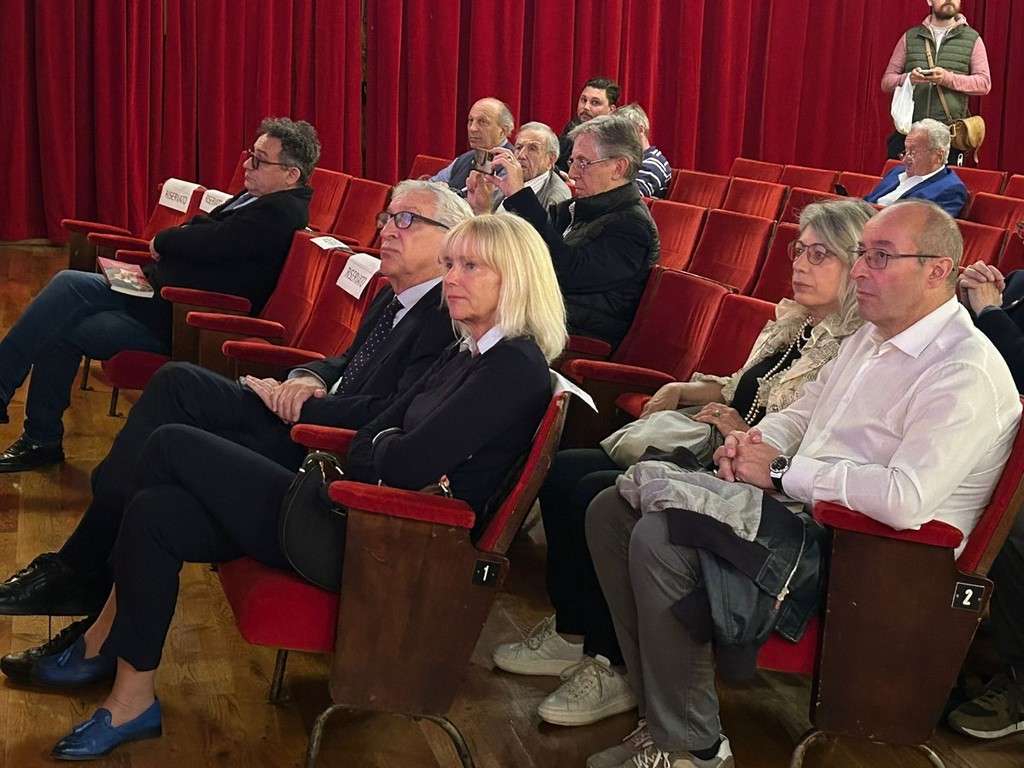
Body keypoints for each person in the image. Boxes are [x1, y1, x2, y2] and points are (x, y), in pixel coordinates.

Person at [29, 212, 566, 760]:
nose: (451, 278)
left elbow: (402, 462)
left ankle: (102, 633)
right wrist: (387, 446)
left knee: (171, 443)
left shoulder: (512, 366)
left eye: (471, 267)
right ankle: (131, 697)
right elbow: (382, 434)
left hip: (383, 547)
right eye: (450, 264)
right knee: (156, 511)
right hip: (350, 508)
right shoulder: (467, 349)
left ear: (516, 277)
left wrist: (385, 448)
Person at [585, 200, 1020, 768]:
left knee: (662, 537)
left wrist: (783, 472)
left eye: (880, 257)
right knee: (611, 510)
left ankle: (692, 748)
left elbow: (904, 499)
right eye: (860, 254)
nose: (859, 270)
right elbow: (804, 414)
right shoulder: (871, 337)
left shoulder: (963, 369)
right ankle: (663, 720)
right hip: (807, 521)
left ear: (938, 270)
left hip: (876, 567)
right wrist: (753, 443)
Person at [0, 181, 474, 682]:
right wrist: (307, 376)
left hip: (318, 451)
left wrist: (308, 404)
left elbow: (390, 415)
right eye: (388, 217)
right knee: (174, 400)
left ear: (450, 240)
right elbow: (347, 361)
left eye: (407, 220)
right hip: (303, 415)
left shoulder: (444, 317)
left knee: (166, 431)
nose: (388, 230)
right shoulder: (395, 295)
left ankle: (81, 569)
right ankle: (90, 590)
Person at [492, 199, 873, 728]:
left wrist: (741, 433)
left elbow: (812, 438)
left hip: (751, 475)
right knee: (563, 474)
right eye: (798, 250)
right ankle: (572, 629)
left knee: (598, 492)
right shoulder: (794, 324)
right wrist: (685, 389)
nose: (800, 265)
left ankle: (613, 659)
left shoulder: (851, 347)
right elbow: (740, 386)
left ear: (855, 265)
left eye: (820, 255)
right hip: (716, 442)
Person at [0, 117, 320, 473]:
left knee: (66, 304)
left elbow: (210, 241)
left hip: (180, 317)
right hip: (155, 293)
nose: (246, 164)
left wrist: (166, 240)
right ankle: (36, 433)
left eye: (258, 160)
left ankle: (34, 431)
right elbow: (202, 232)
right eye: (250, 154)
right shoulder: (255, 198)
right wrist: (181, 239)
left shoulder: (281, 212)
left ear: (291, 174)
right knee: (65, 293)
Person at [494, 114, 660, 350]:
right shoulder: (577, 209)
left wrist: (521, 197)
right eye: (572, 161)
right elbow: (526, 250)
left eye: (583, 162)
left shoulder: (632, 228)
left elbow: (566, 272)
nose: (571, 173)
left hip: (577, 340)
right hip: (543, 321)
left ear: (618, 167)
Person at [945, 255, 1024, 739]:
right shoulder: (1016, 281)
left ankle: (1021, 681)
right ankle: (925, 651)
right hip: (997, 437)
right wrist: (960, 308)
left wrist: (990, 313)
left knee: (1013, 526)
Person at [880, 0, 991, 165]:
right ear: (929, 1)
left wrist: (947, 78)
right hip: (910, 134)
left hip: (948, 138)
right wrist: (908, 78)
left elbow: (984, 83)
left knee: (944, 182)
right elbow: (887, 82)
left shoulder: (972, 39)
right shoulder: (910, 37)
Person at [865, 118, 968, 217]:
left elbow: (931, 226)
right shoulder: (896, 172)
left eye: (914, 153)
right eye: (906, 151)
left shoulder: (950, 189)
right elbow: (868, 201)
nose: (905, 159)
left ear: (938, 156)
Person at [465, 121, 571, 214]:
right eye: (519, 147)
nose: (521, 155)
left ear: (550, 160)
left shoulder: (557, 197)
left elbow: (541, 230)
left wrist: (518, 194)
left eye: (533, 149)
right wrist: (481, 209)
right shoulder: (507, 180)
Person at [428, 98, 515, 193]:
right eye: (471, 120)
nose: (472, 128)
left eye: (482, 122)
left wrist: (446, 194)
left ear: (503, 131)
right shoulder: (465, 158)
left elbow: (493, 200)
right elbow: (430, 185)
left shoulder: (512, 166)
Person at [556, 77, 620, 172]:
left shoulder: (616, 140)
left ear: (611, 109)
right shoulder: (574, 126)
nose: (586, 107)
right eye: (584, 100)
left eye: (595, 102)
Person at [614, 103, 671, 199]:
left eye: (622, 133)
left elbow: (630, 197)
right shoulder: (632, 159)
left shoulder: (653, 163)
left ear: (640, 130)